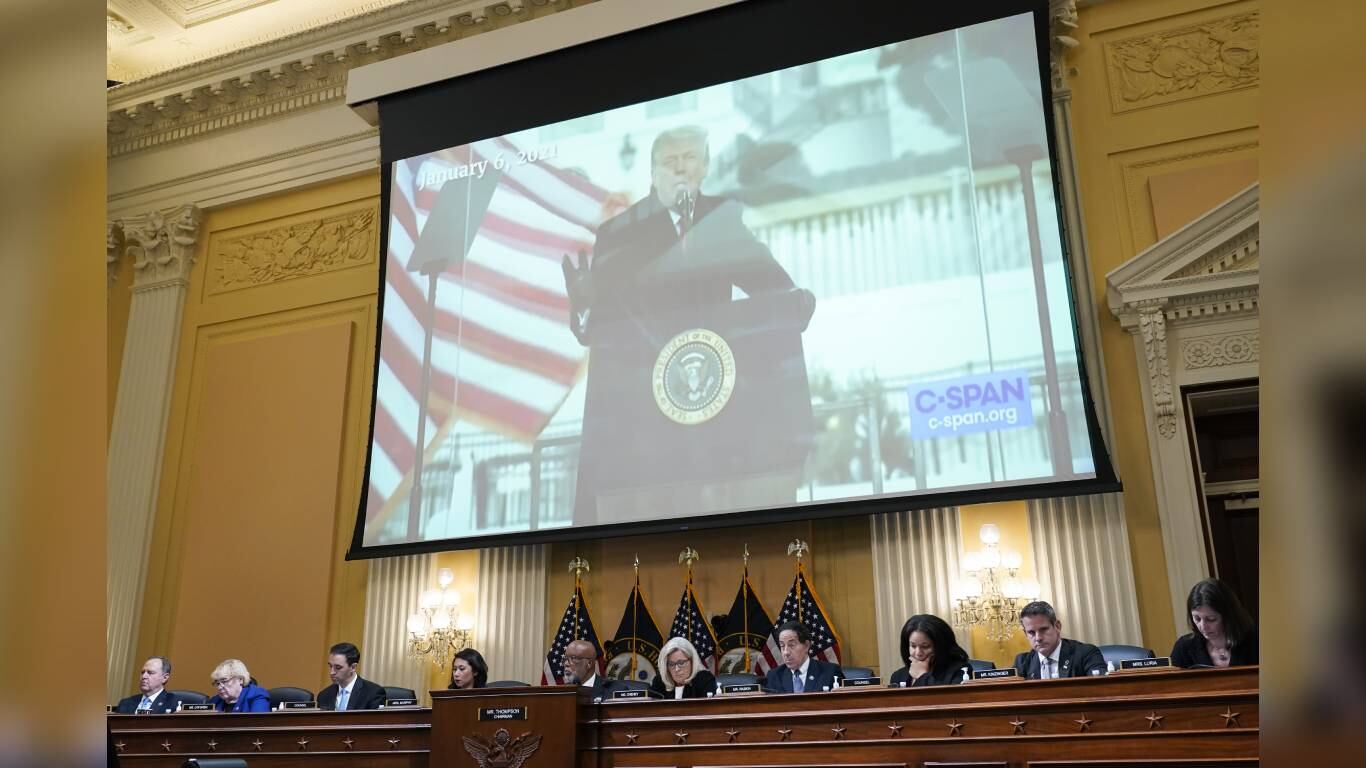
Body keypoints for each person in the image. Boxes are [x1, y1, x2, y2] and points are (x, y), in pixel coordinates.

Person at [563, 125, 815, 524]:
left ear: (705, 167)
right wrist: (583, 309)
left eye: (689, 159)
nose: (680, 168)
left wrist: (795, 303)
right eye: (670, 161)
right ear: (652, 172)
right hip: (642, 421)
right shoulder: (619, 232)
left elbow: (772, 286)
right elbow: (599, 328)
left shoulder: (723, 218)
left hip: (714, 413)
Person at [1170, 578, 1258, 668]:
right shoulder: (1184, 648)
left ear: (1228, 615)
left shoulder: (1256, 640)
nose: (1203, 626)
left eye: (1211, 619)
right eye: (1197, 619)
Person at [1012, 601, 1108, 679]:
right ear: (1025, 633)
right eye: (1031, 633)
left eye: (1043, 629)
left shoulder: (1086, 654)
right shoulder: (1022, 662)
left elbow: (1102, 689)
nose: (1038, 638)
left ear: (1057, 626)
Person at [887, 614, 970, 687]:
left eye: (925, 646)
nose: (918, 653)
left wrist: (922, 676)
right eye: (913, 646)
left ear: (940, 646)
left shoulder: (960, 670)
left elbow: (948, 701)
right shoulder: (898, 676)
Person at [763, 621, 844, 693]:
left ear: (806, 645)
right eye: (782, 646)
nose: (786, 652)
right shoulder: (774, 676)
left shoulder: (830, 673)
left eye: (791, 645)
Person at [316, 641, 387, 711]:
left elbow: (374, 721)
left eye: (338, 667)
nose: (332, 672)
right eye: (330, 666)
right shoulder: (323, 695)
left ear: (353, 667)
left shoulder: (373, 693)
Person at [649, 637, 718, 699]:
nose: (677, 669)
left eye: (681, 663)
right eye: (671, 664)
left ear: (692, 661)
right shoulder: (660, 682)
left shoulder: (704, 680)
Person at [115, 656, 182, 714]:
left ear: (164, 678)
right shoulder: (125, 704)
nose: (144, 676)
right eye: (142, 672)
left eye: (150, 673)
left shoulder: (174, 704)